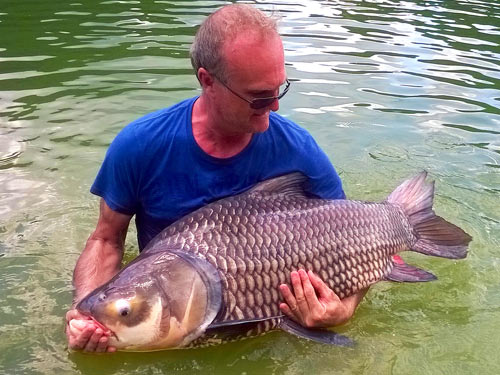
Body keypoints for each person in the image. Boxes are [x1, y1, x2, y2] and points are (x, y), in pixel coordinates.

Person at [65, 4, 368, 353]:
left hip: (278, 332)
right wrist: (84, 312)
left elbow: (357, 237)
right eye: (258, 97)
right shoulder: (140, 145)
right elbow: (105, 240)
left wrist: (344, 308)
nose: (274, 107)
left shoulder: (299, 151)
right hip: (167, 305)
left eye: (278, 90)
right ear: (207, 80)